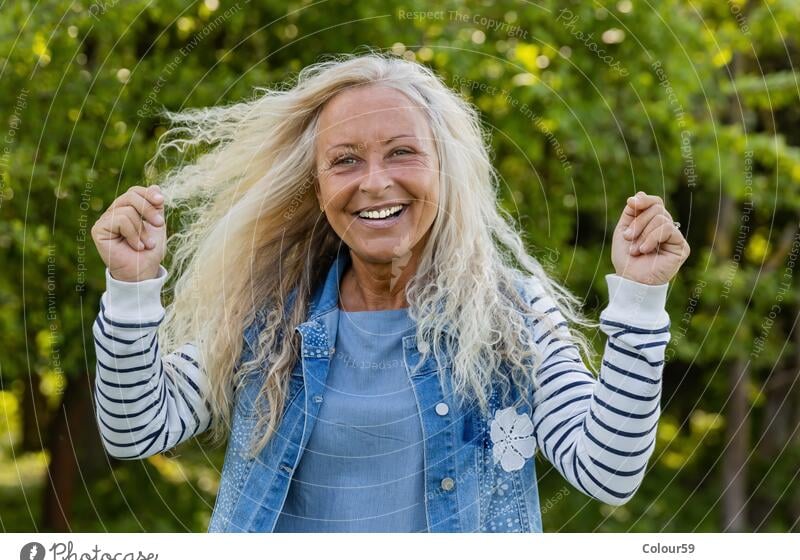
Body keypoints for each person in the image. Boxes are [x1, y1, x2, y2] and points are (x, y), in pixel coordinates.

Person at [90, 51, 690, 533]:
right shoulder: (269, 313)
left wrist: (639, 300)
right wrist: (131, 288)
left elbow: (607, 473)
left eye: (402, 152)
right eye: (345, 160)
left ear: (443, 169)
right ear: (317, 186)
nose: (376, 182)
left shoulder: (513, 312)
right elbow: (135, 429)